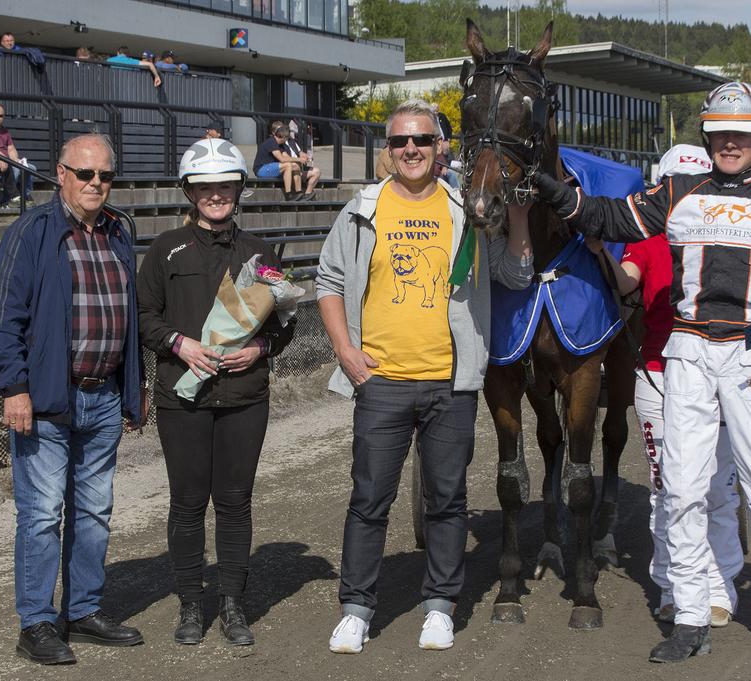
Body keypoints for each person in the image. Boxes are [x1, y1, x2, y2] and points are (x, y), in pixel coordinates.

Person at [532, 81, 751, 663]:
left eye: (741, 135)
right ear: (707, 136)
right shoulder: (676, 193)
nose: (729, 143)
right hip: (688, 353)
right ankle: (691, 618)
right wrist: (555, 194)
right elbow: (607, 217)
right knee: (682, 491)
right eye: (720, 133)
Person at [318, 99, 534, 654]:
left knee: (447, 499)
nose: (409, 149)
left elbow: (514, 272)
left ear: (440, 147)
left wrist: (518, 214)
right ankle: (357, 608)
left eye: (420, 140)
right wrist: (345, 351)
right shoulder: (362, 208)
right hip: (381, 381)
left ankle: (440, 603)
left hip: (450, 383)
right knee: (369, 499)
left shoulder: (469, 209)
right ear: (387, 151)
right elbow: (329, 281)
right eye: (398, 142)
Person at [0, 133, 146, 666]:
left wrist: (132, 390)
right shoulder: (31, 232)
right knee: (41, 514)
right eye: (85, 174)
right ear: (61, 174)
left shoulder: (120, 231)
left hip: (101, 399)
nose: (96, 183)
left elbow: (130, 317)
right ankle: (36, 621)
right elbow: (4, 320)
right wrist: (15, 387)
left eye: (105, 175)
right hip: (49, 397)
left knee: (95, 511)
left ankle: (83, 609)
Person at [138, 138, 296, 647]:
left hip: (245, 397)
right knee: (187, 502)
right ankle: (190, 605)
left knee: (234, 501)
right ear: (189, 191)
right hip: (181, 398)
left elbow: (286, 321)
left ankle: (233, 603)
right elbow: (144, 318)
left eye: (224, 185)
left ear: (238, 188)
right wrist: (180, 344)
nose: (215, 195)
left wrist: (262, 349)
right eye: (205, 187)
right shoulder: (165, 249)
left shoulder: (260, 253)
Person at [590, 144, 743, 629]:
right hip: (657, 375)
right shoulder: (648, 240)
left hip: (720, 374)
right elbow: (626, 283)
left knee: (717, 488)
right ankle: (674, 587)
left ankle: (719, 586)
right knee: (668, 489)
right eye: (674, 184)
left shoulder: (734, 238)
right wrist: (600, 253)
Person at [0, 103, 36, 205]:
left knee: (31, 168)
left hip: (7, 160)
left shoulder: (4, 130)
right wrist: (6, 160)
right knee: (14, 169)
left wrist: (16, 159)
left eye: (0, 115)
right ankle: (7, 200)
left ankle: (25, 196)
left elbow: (11, 148)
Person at [252, 122, 306, 201]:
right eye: (286, 139)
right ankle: (289, 195)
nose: (286, 141)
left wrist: (298, 163)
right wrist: (299, 159)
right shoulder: (272, 142)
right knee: (287, 165)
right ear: (283, 137)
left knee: (294, 166)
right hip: (261, 169)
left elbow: (287, 157)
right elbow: (282, 159)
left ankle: (299, 192)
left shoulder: (281, 145)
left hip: (272, 167)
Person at [285, 130, 320, 201]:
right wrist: (299, 159)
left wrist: (306, 156)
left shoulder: (291, 141)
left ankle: (307, 194)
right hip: (290, 169)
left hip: (299, 168)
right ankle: (297, 193)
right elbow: (284, 158)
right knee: (295, 166)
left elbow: (300, 152)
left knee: (317, 171)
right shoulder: (279, 144)